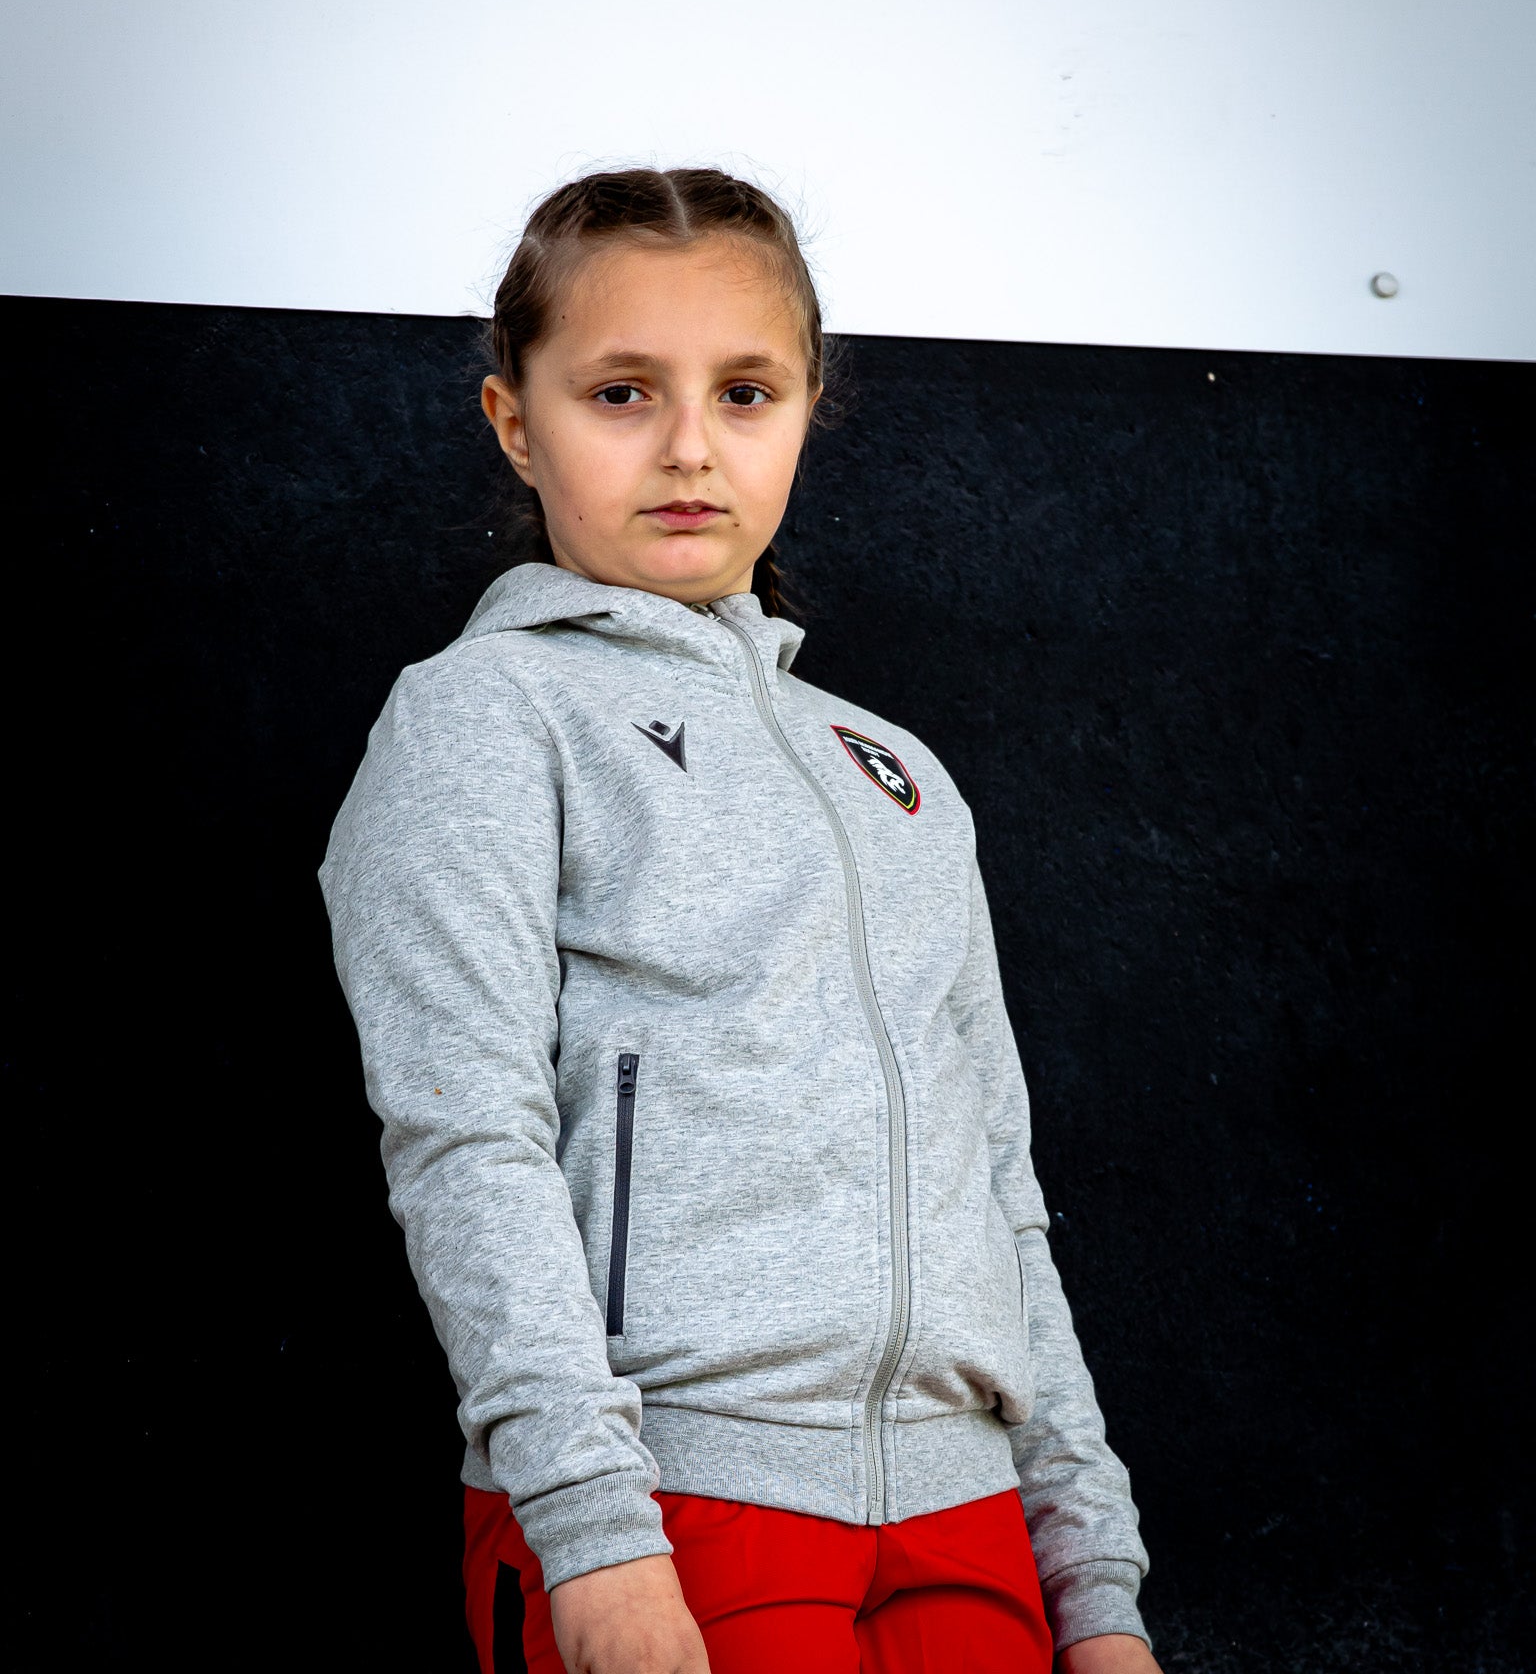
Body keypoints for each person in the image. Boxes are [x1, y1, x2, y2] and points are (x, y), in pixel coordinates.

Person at [322, 168, 1160, 1674]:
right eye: (623, 392)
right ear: (518, 420)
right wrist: (588, 1522)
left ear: (810, 410)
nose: (691, 445)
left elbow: (1001, 1188)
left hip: (971, 1521)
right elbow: (466, 1141)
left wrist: (1091, 1580)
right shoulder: (482, 719)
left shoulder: (897, 771)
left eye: (748, 391)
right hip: (679, 1506)